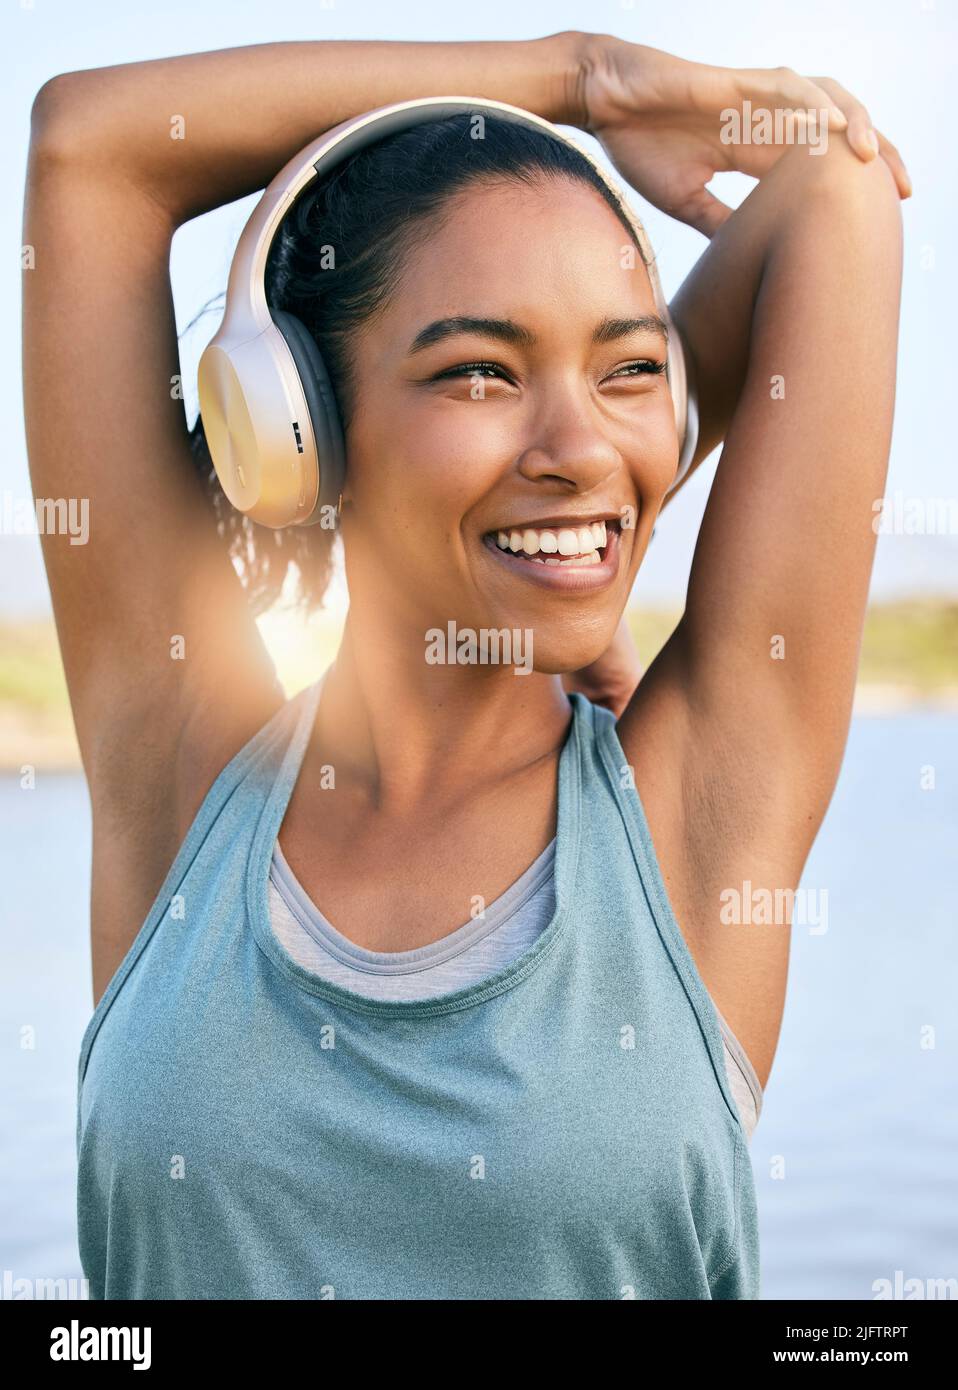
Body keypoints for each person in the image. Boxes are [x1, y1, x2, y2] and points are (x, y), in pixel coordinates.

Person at [24, 30, 907, 1300]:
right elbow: (87, 151)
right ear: (301, 432)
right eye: (479, 370)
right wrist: (583, 82)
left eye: (630, 371)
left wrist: (553, 508)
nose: (582, 443)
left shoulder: (691, 811)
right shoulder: (183, 778)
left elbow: (834, 183)